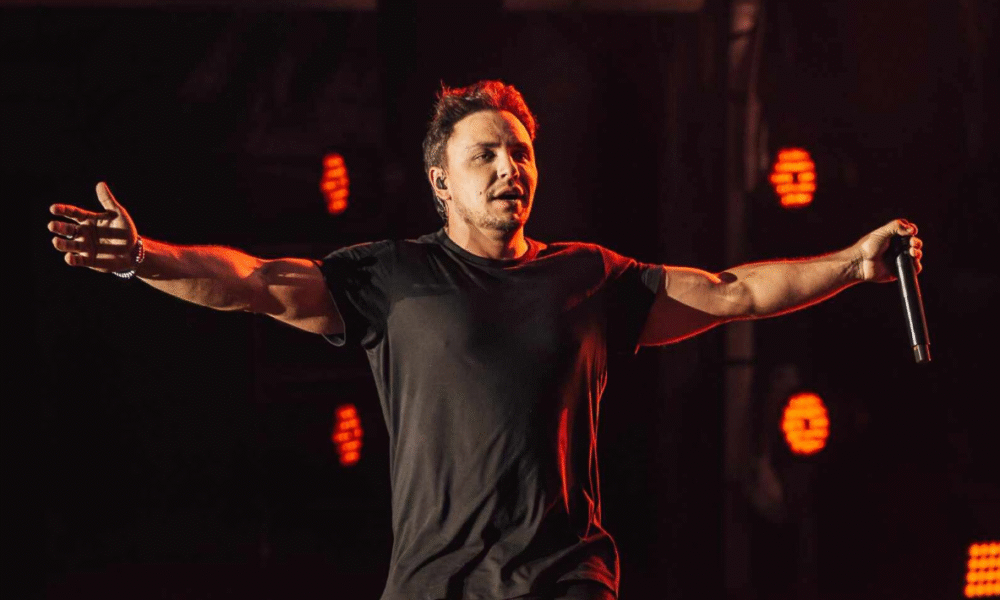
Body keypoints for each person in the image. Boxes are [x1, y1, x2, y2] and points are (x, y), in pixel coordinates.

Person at [47, 80, 923, 600]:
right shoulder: (391, 276)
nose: (512, 167)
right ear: (441, 182)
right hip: (434, 586)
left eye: (522, 152)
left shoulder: (590, 279)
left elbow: (732, 292)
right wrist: (143, 258)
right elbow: (251, 281)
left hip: (564, 583)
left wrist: (852, 263)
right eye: (486, 155)